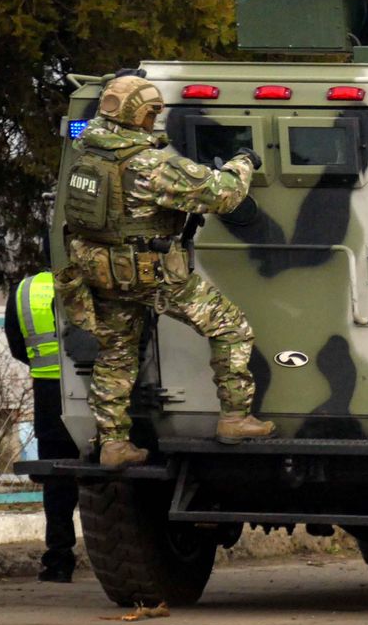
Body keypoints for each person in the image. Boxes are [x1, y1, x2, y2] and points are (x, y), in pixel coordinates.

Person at [58, 74, 273, 468]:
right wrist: (243, 161)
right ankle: (235, 418)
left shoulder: (86, 155)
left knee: (116, 354)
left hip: (102, 276)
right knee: (231, 327)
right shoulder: (148, 165)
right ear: (140, 115)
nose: (153, 120)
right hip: (151, 275)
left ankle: (113, 443)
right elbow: (222, 194)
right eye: (152, 113)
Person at [5, 271, 79, 582]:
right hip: (100, 387)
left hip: (49, 393)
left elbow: (17, 346)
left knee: (57, 479)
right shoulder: (94, 276)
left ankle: (59, 560)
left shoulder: (25, 288)